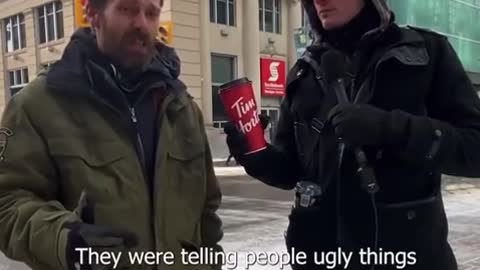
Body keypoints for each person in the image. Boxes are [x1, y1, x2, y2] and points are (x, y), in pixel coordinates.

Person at [224, 0, 480, 269]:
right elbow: (291, 171)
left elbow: (475, 149)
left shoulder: (426, 54)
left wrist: (390, 128)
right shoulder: (304, 72)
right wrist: (256, 155)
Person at [0, 0, 223, 269]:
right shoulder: (38, 105)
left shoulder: (182, 108)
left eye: (151, 12)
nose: (141, 23)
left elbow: (206, 213)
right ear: (92, 14)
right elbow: (7, 204)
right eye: (127, 9)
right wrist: (64, 240)